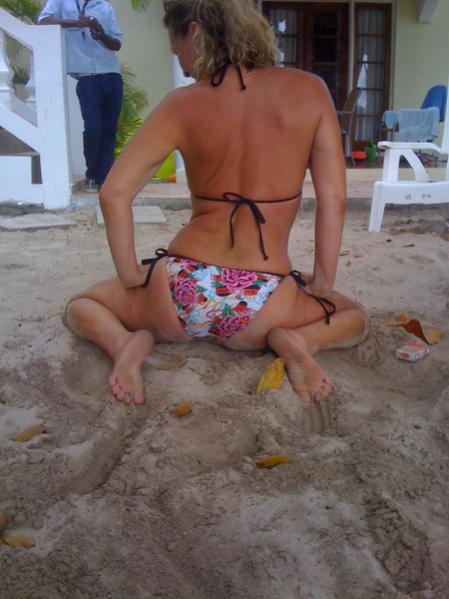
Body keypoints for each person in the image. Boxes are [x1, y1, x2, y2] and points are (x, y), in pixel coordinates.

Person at [63, 0, 369, 407]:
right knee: (353, 318)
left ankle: (123, 344)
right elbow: (334, 198)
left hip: (177, 294)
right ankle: (300, 341)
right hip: (264, 304)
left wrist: (131, 274)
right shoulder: (310, 90)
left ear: (195, 32)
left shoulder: (181, 104)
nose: (185, 67)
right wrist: (322, 283)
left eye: (178, 53)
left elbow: (113, 194)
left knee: (82, 306)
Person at [38, 0, 124, 193]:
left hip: (111, 73)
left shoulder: (104, 7)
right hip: (86, 76)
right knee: (93, 128)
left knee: (109, 130)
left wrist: (101, 33)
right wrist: (77, 23)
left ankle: (103, 179)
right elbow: (44, 21)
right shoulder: (61, 2)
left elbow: (117, 44)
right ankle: (91, 175)